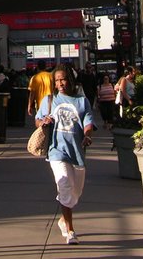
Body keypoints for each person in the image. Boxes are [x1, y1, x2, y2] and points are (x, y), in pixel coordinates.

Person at [35, 64, 95, 245]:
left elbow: (89, 123)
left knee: (75, 193)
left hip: (76, 152)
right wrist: (43, 122)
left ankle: (63, 219)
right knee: (65, 185)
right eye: (57, 80)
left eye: (63, 79)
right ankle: (70, 230)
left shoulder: (82, 101)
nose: (60, 83)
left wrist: (86, 135)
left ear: (70, 80)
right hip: (56, 151)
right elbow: (37, 120)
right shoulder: (49, 100)